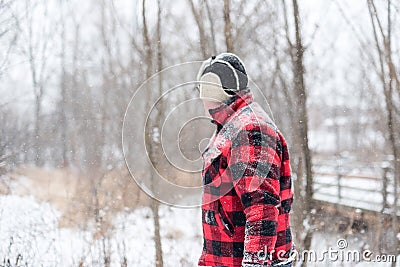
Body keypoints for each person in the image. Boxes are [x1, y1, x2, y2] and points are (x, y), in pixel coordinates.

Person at [196, 53, 295, 267]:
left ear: (213, 89)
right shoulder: (230, 124)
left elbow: (262, 206)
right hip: (226, 258)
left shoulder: (248, 130)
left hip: (243, 260)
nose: (200, 99)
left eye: (201, 90)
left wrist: (255, 264)